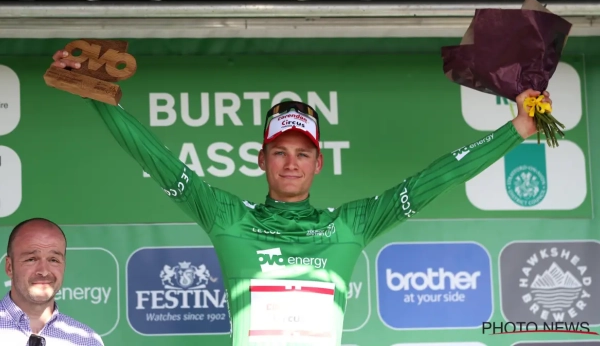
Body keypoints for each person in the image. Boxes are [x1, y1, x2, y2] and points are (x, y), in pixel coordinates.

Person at [50, 49, 550, 346]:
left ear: (318, 163)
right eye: (280, 152)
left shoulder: (351, 224)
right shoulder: (227, 216)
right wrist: (97, 95)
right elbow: (158, 159)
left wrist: (517, 130)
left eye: (302, 153)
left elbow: (435, 179)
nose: (291, 163)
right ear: (261, 159)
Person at [1, 217, 105, 345]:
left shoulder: (87, 341)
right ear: (9, 267)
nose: (44, 271)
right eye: (31, 259)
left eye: (53, 260)